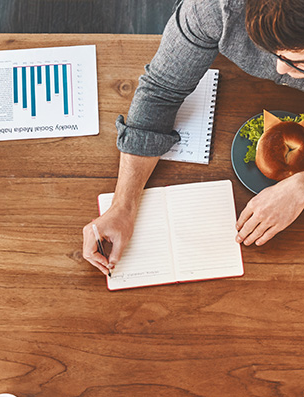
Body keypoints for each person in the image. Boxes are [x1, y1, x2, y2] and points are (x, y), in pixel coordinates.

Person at [83, 0, 304, 275]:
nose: (280, 69)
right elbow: (161, 91)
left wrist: (300, 188)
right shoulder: (214, 8)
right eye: (270, 51)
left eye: (298, 61)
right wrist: (122, 207)